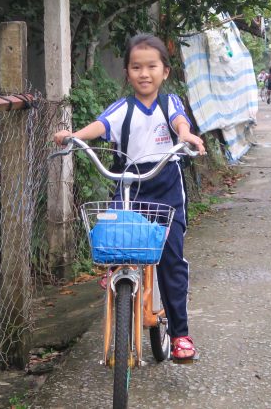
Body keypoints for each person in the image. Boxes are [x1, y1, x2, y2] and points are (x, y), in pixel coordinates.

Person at [53, 33, 206, 362]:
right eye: (136, 67)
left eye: (152, 66)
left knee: (170, 259)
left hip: (166, 185)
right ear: (127, 73)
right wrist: (73, 137)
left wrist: (187, 135)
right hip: (128, 186)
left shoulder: (170, 103)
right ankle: (120, 282)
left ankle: (180, 334)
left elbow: (181, 124)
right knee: (115, 243)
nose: (144, 73)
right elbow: (100, 125)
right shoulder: (123, 108)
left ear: (165, 71)